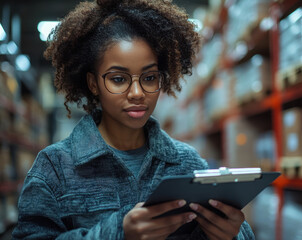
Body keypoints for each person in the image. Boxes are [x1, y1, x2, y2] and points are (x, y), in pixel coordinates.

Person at [12, 0, 255, 239]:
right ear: (93, 83)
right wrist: (117, 233)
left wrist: (233, 235)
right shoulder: (54, 168)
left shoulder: (186, 162)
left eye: (149, 78)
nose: (137, 93)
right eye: (119, 79)